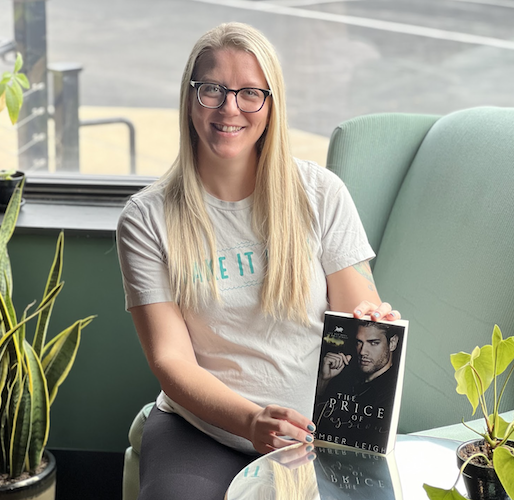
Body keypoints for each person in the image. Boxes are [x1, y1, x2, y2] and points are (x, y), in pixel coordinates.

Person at [116, 22, 400, 500]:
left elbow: (357, 313)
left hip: (316, 429)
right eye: (213, 90)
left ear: (271, 105)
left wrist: (373, 320)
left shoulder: (319, 194)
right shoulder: (147, 218)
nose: (230, 108)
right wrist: (250, 420)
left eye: (250, 93)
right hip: (201, 430)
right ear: (190, 98)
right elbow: (170, 359)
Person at [314, 321, 403, 450]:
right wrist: (324, 379)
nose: (362, 352)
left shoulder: (391, 392)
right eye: (359, 342)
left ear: (393, 343)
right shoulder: (344, 376)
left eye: (373, 343)